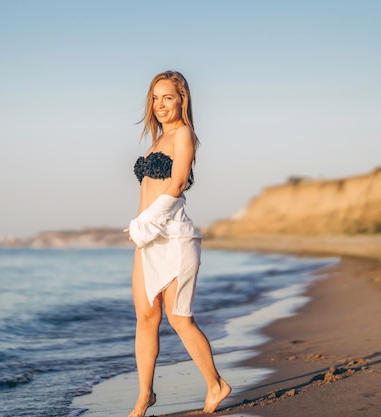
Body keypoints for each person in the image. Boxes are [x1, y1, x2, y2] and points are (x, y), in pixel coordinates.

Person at [126, 71, 231, 416]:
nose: (159, 105)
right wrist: (141, 229)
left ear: (181, 100)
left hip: (173, 237)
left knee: (179, 317)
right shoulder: (155, 142)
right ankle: (144, 398)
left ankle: (216, 384)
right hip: (148, 239)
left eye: (167, 98)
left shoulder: (184, 134)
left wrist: (145, 223)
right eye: (155, 99)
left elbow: (179, 180)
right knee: (145, 317)